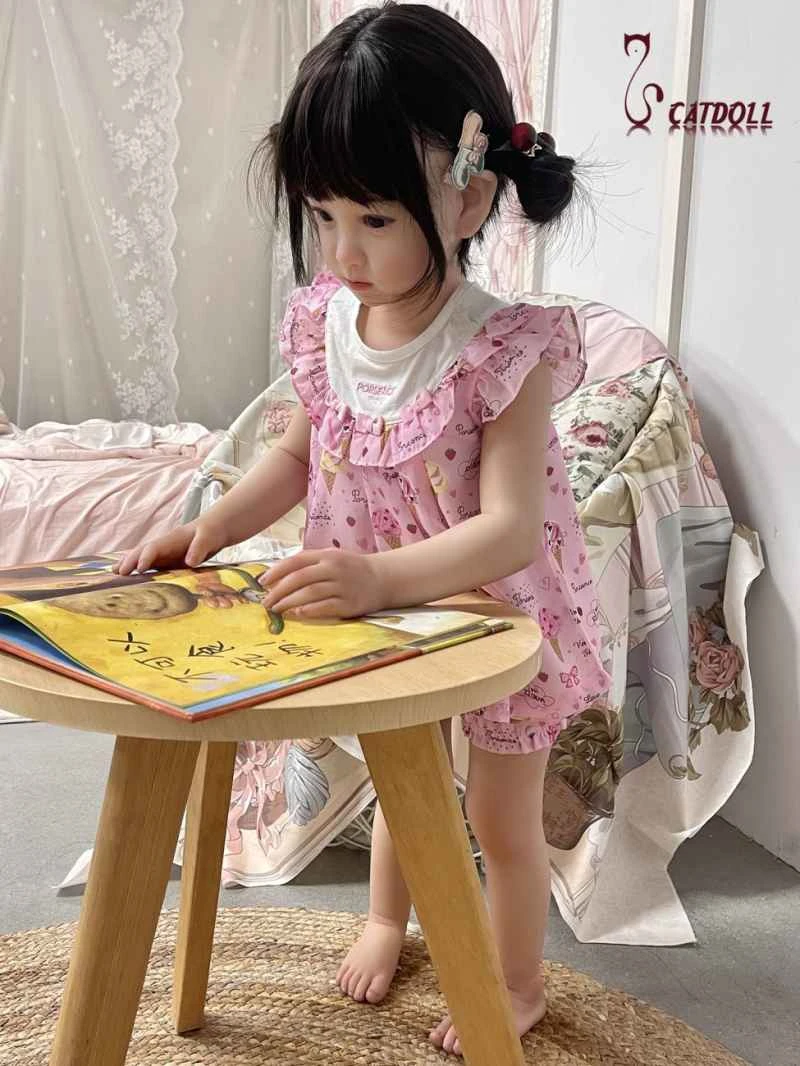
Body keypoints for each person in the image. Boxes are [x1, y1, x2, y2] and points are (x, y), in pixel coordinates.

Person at [115, 2, 611, 1055]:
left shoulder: (501, 350)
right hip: (382, 609)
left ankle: (515, 982)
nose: (342, 250)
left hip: (492, 617)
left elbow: (511, 530)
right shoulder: (325, 322)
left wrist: (381, 578)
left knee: (496, 820)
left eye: (376, 219)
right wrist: (207, 528)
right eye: (321, 213)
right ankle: (388, 918)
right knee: (402, 776)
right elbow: (296, 457)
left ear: (468, 196)